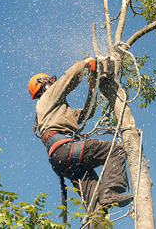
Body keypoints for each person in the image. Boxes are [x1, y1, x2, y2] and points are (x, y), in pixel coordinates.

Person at [28, 58, 133, 227]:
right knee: (116, 149)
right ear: (44, 85)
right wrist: (85, 63)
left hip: (62, 161)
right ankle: (112, 190)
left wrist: (93, 83)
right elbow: (70, 77)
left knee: (96, 206)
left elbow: (88, 111)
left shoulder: (58, 112)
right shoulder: (47, 98)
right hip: (66, 149)